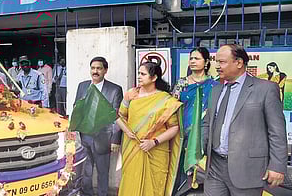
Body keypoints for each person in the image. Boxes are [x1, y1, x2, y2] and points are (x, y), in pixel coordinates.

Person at [202, 44, 287, 196]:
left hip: (247, 169)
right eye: (216, 62)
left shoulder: (266, 89)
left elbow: (277, 131)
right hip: (214, 168)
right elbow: (207, 123)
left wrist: (277, 166)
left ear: (239, 63)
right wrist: (197, 150)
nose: (217, 66)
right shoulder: (215, 90)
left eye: (222, 62)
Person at [116, 61, 182, 196]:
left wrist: (154, 142)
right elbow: (119, 116)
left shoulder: (166, 100)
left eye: (143, 74)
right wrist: (127, 131)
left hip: (156, 150)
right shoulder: (131, 95)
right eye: (139, 73)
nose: (139, 76)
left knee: (154, 188)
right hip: (132, 148)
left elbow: (174, 128)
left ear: (154, 77)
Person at [74, 56, 123, 196]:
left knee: (103, 172)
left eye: (99, 68)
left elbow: (117, 116)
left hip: (104, 138)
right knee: (86, 171)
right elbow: (77, 107)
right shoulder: (82, 86)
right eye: (93, 68)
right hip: (85, 137)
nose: (95, 71)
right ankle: (86, 193)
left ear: (105, 70)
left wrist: (115, 139)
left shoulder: (114, 90)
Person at [171, 47, 219, 192]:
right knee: (180, 171)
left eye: (197, 58)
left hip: (204, 135)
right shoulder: (182, 83)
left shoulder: (215, 86)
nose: (192, 61)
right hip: (182, 135)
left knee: (201, 171)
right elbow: (172, 107)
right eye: (191, 58)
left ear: (206, 62)